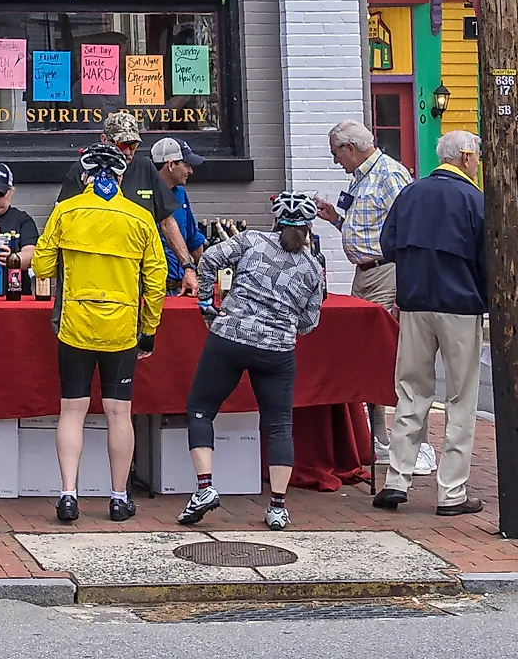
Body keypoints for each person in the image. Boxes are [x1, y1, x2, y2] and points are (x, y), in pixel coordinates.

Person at [178, 191, 330, 531]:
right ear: (309, 228)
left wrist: (206, 304)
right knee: (279, 425)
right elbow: (309, 322)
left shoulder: (251, 240)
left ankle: (204, 487)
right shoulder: (312, 267)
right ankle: (277, 506)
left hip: (229, 336)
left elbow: (209, 260)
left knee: (201, 407)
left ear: (276, 220)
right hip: (276, 350)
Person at [38, 142, 167, 525]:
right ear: (121, 177)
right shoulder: (140, 217)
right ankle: (118, 497)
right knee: (118, 412)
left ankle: (67, 495)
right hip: (122, 327)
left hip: (75, 324)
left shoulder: (66, 211)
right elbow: (156, 280)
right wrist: (149, 329)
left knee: (72, 410)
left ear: (86, 177)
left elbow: (43, 267)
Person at [372, 130, 486, 517]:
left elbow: (387, 246)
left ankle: (397, 479)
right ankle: (451, 492)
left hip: (415, 301)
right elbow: (489, 259)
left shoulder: (411, 193)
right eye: (477, 156)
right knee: (460, 398)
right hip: (460, 304)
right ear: (466, 157)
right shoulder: (475, 199)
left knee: (410, 391)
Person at [315, 118, 413, 461]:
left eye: (335, 154)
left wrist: (404, 287)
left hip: (387, 273)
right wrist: (335, 220)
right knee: (366, 357)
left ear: (350, 148)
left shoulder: (390, 175)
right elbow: (370, 229)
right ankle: (378, 439)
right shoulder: (362, 178)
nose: (335, 161)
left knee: (386, 355)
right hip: (366, 274)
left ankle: (405, 441)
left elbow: (409, 229)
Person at [150, 138, 205, 294]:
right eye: (186, 165)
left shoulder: (180, 193)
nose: (190, 171)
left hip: (181, 287)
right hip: (150, 289)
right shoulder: (143, 194)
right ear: (171, 164)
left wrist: (210, 273)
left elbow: (193, 239)